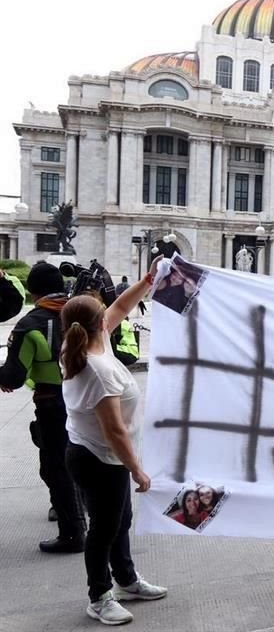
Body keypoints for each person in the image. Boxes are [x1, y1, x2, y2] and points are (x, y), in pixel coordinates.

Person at [60, 258, 167, 625]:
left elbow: (122, 306)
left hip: (102, 456)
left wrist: (149, 279)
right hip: (99, 458)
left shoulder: (87, 343)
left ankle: (126, 580)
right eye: (103, 311)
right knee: (103, 530)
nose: (111, 312)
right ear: (97, 323)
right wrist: (138, 470)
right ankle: (99, 596)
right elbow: (114, 431)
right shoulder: (97, 371)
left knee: (119, 521)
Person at [0, 262, 86, 553]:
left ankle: (73, 533)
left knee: (56, 467)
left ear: (33, 292)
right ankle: (89, 515)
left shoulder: (31, 323)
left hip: (53, 403)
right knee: (89, 458)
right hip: (89, 400)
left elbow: (13, 376)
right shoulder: (84, 313)